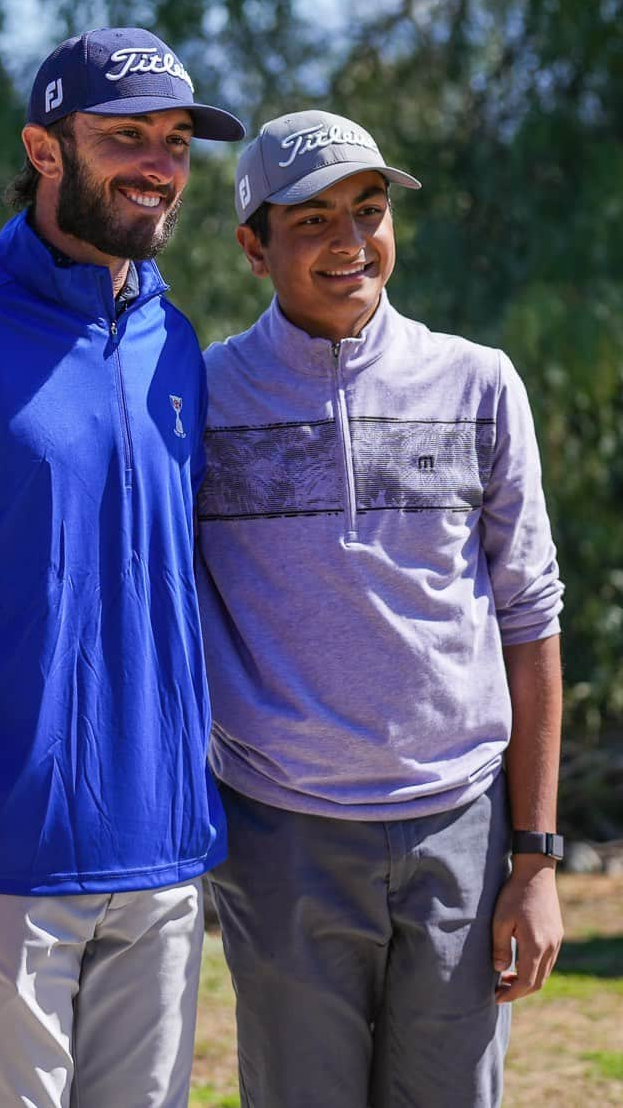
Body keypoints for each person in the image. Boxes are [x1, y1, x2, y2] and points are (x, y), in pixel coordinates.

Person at [0, 26, 245, 1108]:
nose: (158, 165)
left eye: (175, 141)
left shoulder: (177, 346)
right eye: (125, 137)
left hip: (164, 860)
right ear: (44, 148)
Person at [196, 109, 564, 1108]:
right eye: (311, 221)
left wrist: (534, 862)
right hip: (282, 834)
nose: (352, 243)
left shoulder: (479, 384)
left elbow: (531, 622)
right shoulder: (199, 398)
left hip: (463, 831)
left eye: (368, 210)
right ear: (252, 246)